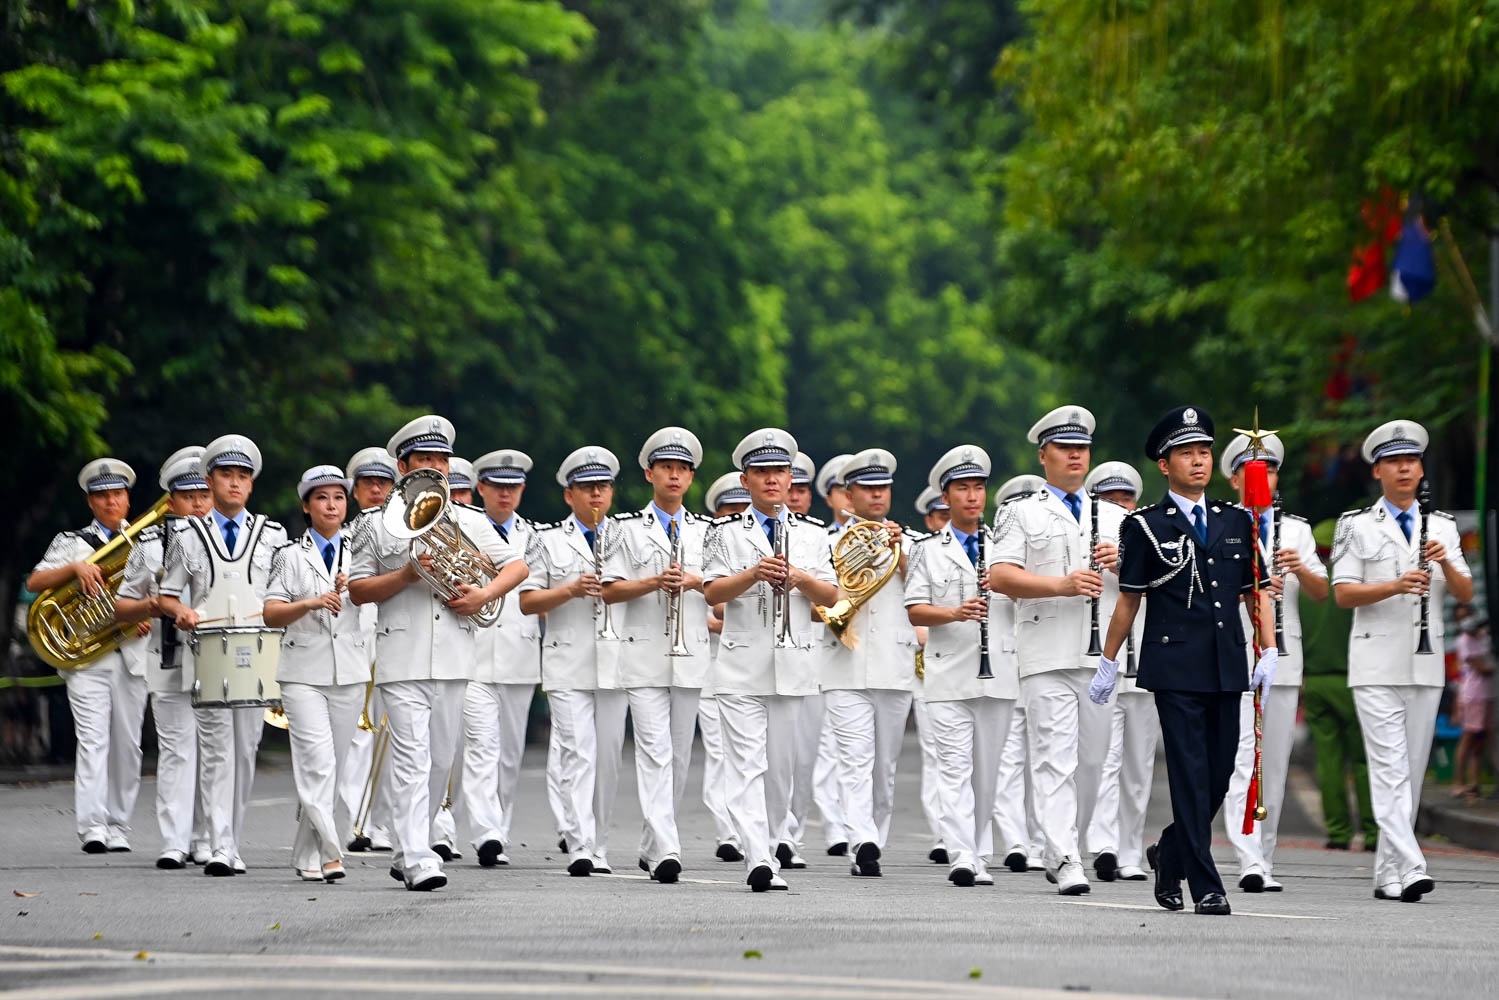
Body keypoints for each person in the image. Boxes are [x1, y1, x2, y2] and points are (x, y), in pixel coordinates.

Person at [1091, 406, 1275, 916]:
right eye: (1186, 454)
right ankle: (1207, 883)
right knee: (1191, 776)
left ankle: (1168, 854)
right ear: (1164, 465)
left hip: (1226, 665)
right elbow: (1129, 599)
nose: (1198, 461)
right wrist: (1108, 661)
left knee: (1217, 777)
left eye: (1204, 452)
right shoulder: (1144, 526)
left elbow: (1254, 593)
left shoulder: (1237, 521)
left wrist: (1270, 647)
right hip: (1174, 668)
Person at [347, 416, 526, 891]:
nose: (437, 468)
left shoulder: (467, 519)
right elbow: (359, 590)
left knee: (442, 761)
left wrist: (483, 596)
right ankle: (420, 856)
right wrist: (404, 577)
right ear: (403, 466)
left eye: (442, 460)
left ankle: (410, 845)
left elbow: (516, 565)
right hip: (402, 656)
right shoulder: (373, 524)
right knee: (412, 757)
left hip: (454, 656)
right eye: (426, 460)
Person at [1332, 419, 1472, 902]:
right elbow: (1344, 594)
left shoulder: (1444, 526)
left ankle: (1388, 873)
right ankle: (1413, 865)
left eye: (1411, 461)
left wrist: (1448, 562)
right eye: (1395, 462)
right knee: (1389, 768)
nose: (1405, 469)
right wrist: (1394, 584)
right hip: (1374, 662)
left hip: (1424, 664)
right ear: (1378, 472)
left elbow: (1466, 593)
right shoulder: (1355, 526)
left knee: (1410, 772)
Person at [990, 407, 1122, 895]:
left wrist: (1125, 562)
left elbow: (1145, 584)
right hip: (1046, 653)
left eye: (1082, 448)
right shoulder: (1019, 511)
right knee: (1054, 758)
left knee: (1093, 760)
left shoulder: (1116, 516)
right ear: (1043, 455)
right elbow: (1000, 576)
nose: (1075, 456)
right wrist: (1060, 585)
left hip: (1101, 655)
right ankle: (1064, 855)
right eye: (1065, 448)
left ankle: (1065, 843)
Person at [702, 429, 838, 891]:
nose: (772, 480)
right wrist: (752, 574)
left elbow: (835, 597)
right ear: (746, 479)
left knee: (782, 772)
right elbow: (712, 592)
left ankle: (773, 844)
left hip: (794, 663)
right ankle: (758, 858)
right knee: (746, 765)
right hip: (741, 664)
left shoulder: (813, 534)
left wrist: (799, 577)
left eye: (779, 472)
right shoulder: (723, 532)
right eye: (761, 473)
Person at [158, 435, 291, 876]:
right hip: (209, 653)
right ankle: (221, 844)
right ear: (210, 481)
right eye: (226, 475)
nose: (234, 484)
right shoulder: (186, 534)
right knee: (216, 751)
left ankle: (229, 836)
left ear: (250, 485)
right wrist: (181, 612)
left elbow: (282, 592)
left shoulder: (272, 533)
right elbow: (167, 594)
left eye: (242, 477)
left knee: (246, 750)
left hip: (257, 654)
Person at [600, 427, 714, 883]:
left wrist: (695, 581)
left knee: (681, 757)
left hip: (690, 655)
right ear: (649, 473)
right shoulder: (625, 529)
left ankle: (652, 843)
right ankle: (668, 845)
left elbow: (721, 588)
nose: (674, 475)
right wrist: (653, 581)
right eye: (666, 467)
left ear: (691, 478)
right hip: (644, 654)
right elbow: (610, 591)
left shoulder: (708, 531)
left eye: (683, 469)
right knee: (654, 752)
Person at [1218, 432, 1328, 893]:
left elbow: (1324, 592)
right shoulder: (1220, 523)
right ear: (1234, 478)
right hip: (1236, 654)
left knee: (1275, 766)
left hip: (1284, 656)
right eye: (1249, 471)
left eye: (1267, 471)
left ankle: (1266, 855)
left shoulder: (1297, 530)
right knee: (1244, 760)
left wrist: (1297, 569)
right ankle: (1247, 856)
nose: (1258, 479)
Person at [904, 446, 1017, 887]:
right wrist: (953, 613)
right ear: (945, 497)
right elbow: (914, 610)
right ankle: (962, 854)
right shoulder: (929, 550)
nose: (972, 496)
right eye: (961, 489)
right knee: (953, 768)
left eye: (978, 487)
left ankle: (979, 849)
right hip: (949, 672)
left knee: (988, 772)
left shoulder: (1006, 548)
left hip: (999, 671)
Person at [27, 458, 152, 855]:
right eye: (102, 496)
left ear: (128, 499)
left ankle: (119, 824)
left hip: (132, 653)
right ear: (91, 502)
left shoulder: (149, 540)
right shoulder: (72, 541)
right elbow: (34, 581)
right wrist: (74, 568)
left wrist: (145, 613)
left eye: (117, 494)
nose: (110, 501)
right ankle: (92, 826)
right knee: (93, 740)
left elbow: (166, 591)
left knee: (128, 744)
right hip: (87, 657)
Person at [518, 446, 622, 876]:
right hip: (567, 660)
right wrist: (569, 590)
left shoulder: (626, 536)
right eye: (586, 488)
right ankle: (579, 842)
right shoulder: (547, 539)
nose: (595, 495)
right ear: (569, 495)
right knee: (578, 752)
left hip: (617, 659)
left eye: (602, 487)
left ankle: (599, 843)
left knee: (609, 759)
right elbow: (527, 602)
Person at [263, 465, 367, 883]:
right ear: (307, 506)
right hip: (302, 672)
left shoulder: (362, 553)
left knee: (333, 769)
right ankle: (331, 849)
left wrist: (355, 587)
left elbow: (376, 599)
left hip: (351, 672)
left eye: (339, 498)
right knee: (317, 765)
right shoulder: (289, 555)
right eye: (322, 498)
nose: (331, 505)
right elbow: (271, 613)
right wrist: (309, 603)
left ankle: (305, 854)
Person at [114, 448, 214, 869]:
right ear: (170, 501)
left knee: (212, 752)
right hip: (169, 655)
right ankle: (174, 840)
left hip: (217, 660)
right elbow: (122, 605)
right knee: (176, 750)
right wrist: (152, 605)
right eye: (187, 495)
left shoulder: (231, 541)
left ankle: (206, 837)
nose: (197, 502)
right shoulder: (150, 543)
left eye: (203, 494)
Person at [820, 448, 918, 877]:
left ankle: (874, 834)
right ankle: (862, 840)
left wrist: (900, 557)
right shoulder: (828, 543)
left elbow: (925, 593)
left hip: (893, 662)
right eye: (868, 488)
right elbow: (822, 594)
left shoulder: (911, 543)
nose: (877, 496)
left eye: (883, 488)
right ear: (848, 495)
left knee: (885, 765)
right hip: (845, 661)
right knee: (853, 758)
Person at [457, 449, 541, 867]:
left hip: (520, 655)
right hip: (473, 655)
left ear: (522, 490)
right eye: (497, 487)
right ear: (481, 489)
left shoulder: (537, 535)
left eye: (513, 487)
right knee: (481, 746)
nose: (505, 494)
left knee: (509, 754)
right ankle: (485, 830)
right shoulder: (464, 527)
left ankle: (500, 829)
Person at [1079, 461, 1156, 882]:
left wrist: (1123, 564)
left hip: (1143, 661)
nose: (1119, 506)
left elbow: (1161, 583)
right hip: (1103, 662)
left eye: (1125, 499)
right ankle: (1103, 844)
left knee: (1138, 766)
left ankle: (1130, 850)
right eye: (1110, 500)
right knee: (1101, 758)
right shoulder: (1086, 536)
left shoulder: (1150, 534)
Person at [339, 446, 398, 853]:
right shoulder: (341, 538)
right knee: (355, 736)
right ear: (355, 490)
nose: (376, 490)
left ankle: (381, 825)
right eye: (367, 484)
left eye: (383, 483)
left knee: (391, 737)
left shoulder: (401, 533)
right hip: (352, 641)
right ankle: (351, 821)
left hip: (392, 637)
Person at [988, 473, 1046, 876]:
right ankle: (1015, 840)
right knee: (1008, 758)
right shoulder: (991, 548)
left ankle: (1043, 841)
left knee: (1044, 756)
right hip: (1005, 659)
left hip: (1041, 656)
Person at [699, 472, 751, 862]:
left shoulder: (752, 542)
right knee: (719, 750)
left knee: (749, 753)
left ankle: (748, 826)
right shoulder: (709, 541)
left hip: (746, 658)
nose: (736, 517)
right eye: (729, 511)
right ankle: (727, 831)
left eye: (740, 510)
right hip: (706, 658)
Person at [911, 485, 952, 863]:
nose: (946, 521)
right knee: (936, 753)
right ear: (929, 519)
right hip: (930, 658)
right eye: (940, 516)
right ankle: (943, 833)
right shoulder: (923, 548)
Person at [1454, 611, 1492, 800]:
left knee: (1481, 740)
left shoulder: (1483, 635)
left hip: (1488, 693)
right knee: (1469, 737)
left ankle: (1474, 782)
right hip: (1474, 694)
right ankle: (1459, 782)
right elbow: (1482, 667)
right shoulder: (1464, 640)